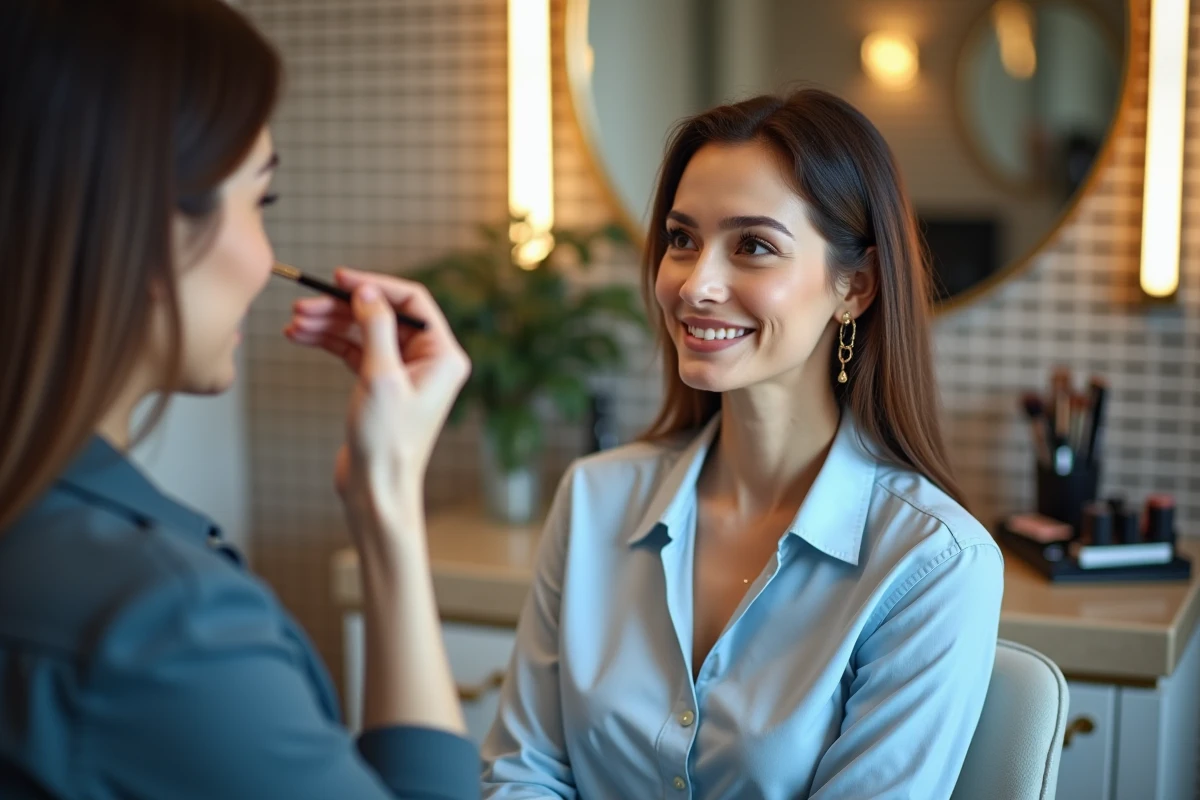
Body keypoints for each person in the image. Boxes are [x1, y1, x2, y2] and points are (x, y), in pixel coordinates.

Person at [0, 1, 478, 797]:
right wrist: (388, 497)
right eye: (262, 202)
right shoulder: (165, 631)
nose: (268, 262)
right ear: (145, 233)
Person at [480, 90, 1004, 799]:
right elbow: (522, 772)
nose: (696, 285)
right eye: (682, 239)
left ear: (856, 285)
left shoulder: (933, 565)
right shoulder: (593, 499)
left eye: (753, 246)